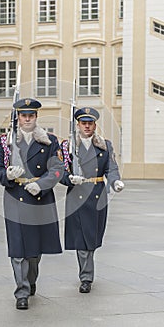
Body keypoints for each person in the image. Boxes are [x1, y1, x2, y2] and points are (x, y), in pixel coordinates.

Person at [0, 98, 64, 310]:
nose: (27, 119)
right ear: (18, 118)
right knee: (18, 248)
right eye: (23, 115)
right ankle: (21, 291)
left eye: (31, 115)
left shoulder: (49, 141)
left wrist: (41, 184)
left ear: (36, 117)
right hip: (15, 197)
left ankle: (31, 279)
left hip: (39, 199)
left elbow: (58, 169)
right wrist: (6, 174)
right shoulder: (5, 142)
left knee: (34, 250)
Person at [60, 106, 124, 294]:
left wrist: (115, 181)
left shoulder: (105, 145)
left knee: (92, 237)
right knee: (81, 239)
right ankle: (86, 277)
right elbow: (60, 170)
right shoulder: (68, 146)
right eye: (83, 123)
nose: (87, 126)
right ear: (77, 125)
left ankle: (86, 269)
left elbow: (110, 168)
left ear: (95, 125)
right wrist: (68, 178)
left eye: (90, 123)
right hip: (76, 195)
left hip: (96, 194)